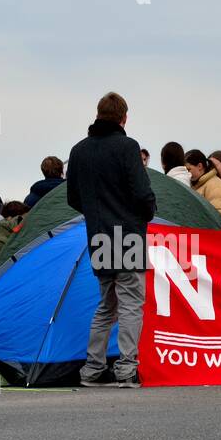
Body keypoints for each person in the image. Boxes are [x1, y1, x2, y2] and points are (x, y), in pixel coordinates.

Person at [66, 91, 156, 389]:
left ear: (97, 114)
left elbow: (73, 197)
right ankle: (126, 368)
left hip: (99, 235)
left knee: (107, 304)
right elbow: (142, 193)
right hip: (128, 234)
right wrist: (145, 213)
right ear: (123, 118)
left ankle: (92, 369)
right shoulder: (127, 147)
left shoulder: (79, 151)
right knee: (131, 303)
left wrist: (96, 214)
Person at [184, 149, 221, 221]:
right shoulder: (195, 185)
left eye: (189, 169)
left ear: (200, 166)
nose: (187, 173)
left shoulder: (215, 186)